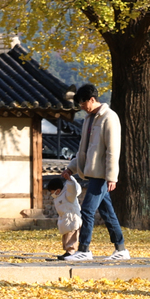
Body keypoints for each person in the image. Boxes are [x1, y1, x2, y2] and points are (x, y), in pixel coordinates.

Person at [61, 84, 130, 261]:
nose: (82, 107)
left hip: (101, 175)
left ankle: (84, 249)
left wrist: (111, 177)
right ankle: (121, 249)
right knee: (108, 213)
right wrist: (72, 168)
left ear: (92, 99)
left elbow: (113, 150)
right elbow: (83, 149)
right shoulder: (88, 119)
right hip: (92, 173)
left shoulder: (109, 117)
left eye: (83, 103)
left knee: (87, 210)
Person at [45, 175, 83, 260]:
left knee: (72, 236)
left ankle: (71, 252)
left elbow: (72, 189)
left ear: (58, 190)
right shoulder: (58, 196)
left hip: (72, 218)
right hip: (65, 219)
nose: (51, 194)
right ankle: (67, 251)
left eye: (52, 192)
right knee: (66, 237)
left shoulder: (68, 195)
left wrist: (70, 180)